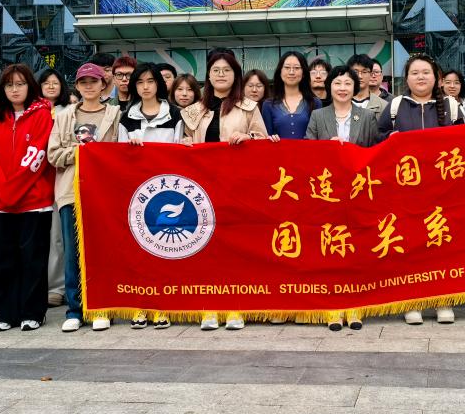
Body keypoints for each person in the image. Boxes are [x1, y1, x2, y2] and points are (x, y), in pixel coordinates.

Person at [181, 50, 268, 331]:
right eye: (216, 70)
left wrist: (248, 137)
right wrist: (184, 145)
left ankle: (236, 306)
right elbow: (185, 142)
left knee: (237, 247)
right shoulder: (194, 111)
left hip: (238, 188)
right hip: (203, 188)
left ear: (236, 75)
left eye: (227, 70)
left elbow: (264, 141)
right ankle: (209, 306)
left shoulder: (249, 107)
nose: (221, 75)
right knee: (207, 247)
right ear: (208, 75)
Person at [378, 53, 464, 325]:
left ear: (436, 78)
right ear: (407, 79)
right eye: (415, 73)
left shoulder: (450, 106)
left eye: (426, 72)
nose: (420, 77)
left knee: (440, 245)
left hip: (442, 190)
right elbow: (376, 140)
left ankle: (443, 300)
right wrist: (388, 140)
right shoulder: (395, 106)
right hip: (406, 192)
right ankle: (411, 301)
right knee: (410, 246)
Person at [0, 64, 56, 332]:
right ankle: (4, 312)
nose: (15, 89)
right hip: (1, 205)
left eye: (20, 84)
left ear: (29, 86)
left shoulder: (43, 115)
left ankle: (32, 312)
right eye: (9, 85)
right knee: (3, 259)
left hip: (35, 202)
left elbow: (38, 155)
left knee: (33, 259)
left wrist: (11, 191)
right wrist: (3, 191)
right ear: (2, 89)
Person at [48, 63, 122, 333]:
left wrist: (100, 153)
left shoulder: (115, 115)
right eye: (83, 82)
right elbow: (53, 154)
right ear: (77, 86)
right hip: (70, 190)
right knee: (73, 253)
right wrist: (82, 152)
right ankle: (75, 309)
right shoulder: (64, 116)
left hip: (103, 192)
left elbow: (121, 151)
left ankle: (102, 306)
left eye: (94, 81)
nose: (89, 86)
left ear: (104, 85)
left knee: (102, 251)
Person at [306, 65, 376, 330]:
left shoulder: (366, 116)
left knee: (356, 249)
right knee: (330, 249)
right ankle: (332, 307)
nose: (343, 88)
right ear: (330, 87)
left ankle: (355, 306)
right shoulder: (318, 115)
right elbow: (306, 150)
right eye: (337, 83)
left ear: (355, 87)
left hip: (357, 193)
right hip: (327, 195)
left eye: (347, 83)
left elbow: (375, 151)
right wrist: (327, 148)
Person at [119, 63, 186, 329]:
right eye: (140, 82)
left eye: (150, 81)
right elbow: (118, 156)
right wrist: (131, 150)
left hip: (168, 188)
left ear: (158, 83)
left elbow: (179, 151)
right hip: (138, 191)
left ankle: (163, 305)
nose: (145, 87)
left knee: (166, 249)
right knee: (139, 249)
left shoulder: (175, 115)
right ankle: (141, 304)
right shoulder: (127, 117)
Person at [37, 68, 71, 308]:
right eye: (46, 83)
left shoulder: (68, 112)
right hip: (35, 179)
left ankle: (56, 287)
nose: (50, 86)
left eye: (55, 83)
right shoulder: (31, 112)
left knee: (57, 237)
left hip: (60, 178)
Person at [263, 52, 321, 141]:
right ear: (280, 71)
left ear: (303, 73)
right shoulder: (269, 104)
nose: (291, 72)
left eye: (296, 68)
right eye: (287, 68)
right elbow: (265, 138)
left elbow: (320, 137)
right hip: (278, 150)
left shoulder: (315, 102)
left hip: (308, 150)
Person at [348, 54, 386, 120]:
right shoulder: (339, 103)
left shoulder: (383, 106)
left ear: (371, 74)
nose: (360, 76)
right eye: (355, 72)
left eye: (364, 72)